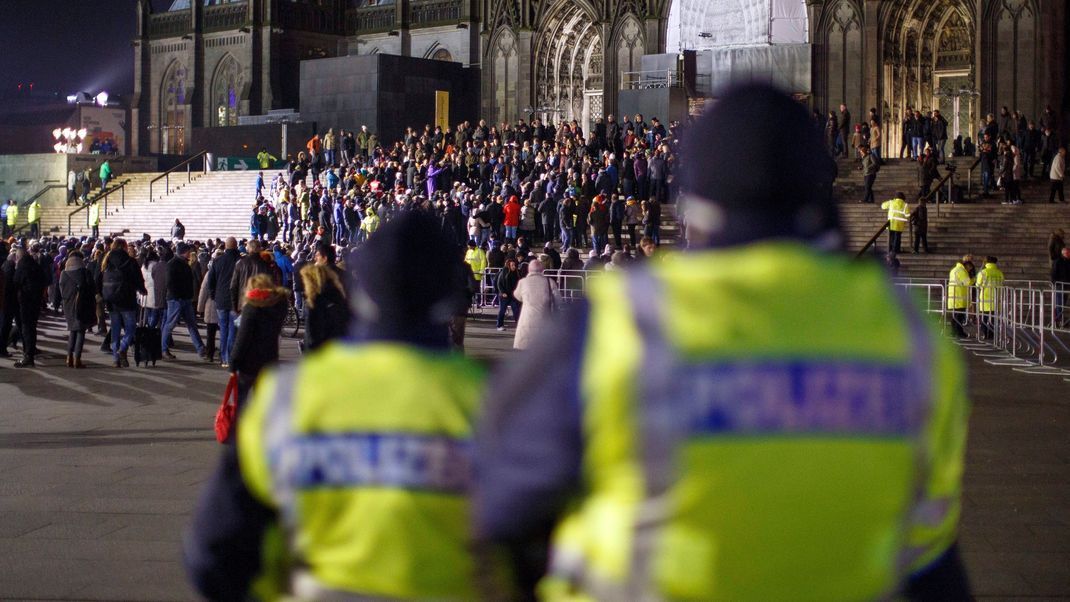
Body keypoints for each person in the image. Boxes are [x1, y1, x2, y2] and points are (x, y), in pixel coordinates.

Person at [475, 84, 972, 600]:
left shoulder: (625, 323)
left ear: (697, 201)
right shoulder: (912, 338)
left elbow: (500, 494)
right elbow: (931, 556)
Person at [185, 212, 484, 601]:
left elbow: (215, 551)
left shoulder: (289, 398)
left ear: (363, 290)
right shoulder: (488, 401)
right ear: (447, 293)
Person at [228, 273, 288, 407]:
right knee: (263, 401)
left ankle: (238, 425)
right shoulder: (278, 307)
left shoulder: (252, 308)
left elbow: (242, 339)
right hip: (269, 359)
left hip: (249, 362)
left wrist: (233, 361)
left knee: (240, 399)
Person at [100, 239, 146, 368]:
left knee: (115, 330)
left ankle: (116, 358)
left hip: (112, 300)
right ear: (124, 247)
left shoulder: (106, 261)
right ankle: (123, 348)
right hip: (127, 299)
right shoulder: (130, 261)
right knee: (130, 328)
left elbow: (99, 278)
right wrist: (142, 289)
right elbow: (138, 279)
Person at [161, 242, 206, 360]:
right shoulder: (174, 264)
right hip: (177, 298)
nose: (190, 254)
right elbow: (170, 283)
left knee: (191, 324)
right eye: (188, 252)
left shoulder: (180, 263)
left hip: (183, 298)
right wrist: (180, 295)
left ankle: (201, 348)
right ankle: (163, 348)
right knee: (170, 324)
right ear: (185, 252)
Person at [300, 249, 350, 352]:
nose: (315, 258)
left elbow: (311, 333)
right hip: (340, 344)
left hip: (320, 351)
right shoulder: (340, 293)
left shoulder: (315, 300)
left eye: (317, 255)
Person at [205, 237, 241, 368]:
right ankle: (228, 357)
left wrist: (213, 295)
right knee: (233, 329)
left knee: (224, 329)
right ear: (236, 246)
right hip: (235, 301)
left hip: (220, 300)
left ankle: (223, 357)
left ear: (225, 246)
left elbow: (211, 281)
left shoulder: (217, 261)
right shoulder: (239, 261)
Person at [511, 258, 559, 350]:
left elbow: (517, 296)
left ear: (529, 270)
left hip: (527, 319)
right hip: (545, 319)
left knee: (525, 347)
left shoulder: (523, 282)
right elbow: (558, 300)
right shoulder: (549, 282)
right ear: (542, 270)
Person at [59, 250, 96, 368]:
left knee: (72, 330)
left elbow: (61, 289)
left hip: (68, 304)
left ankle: (68, 357)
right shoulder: (85, 272)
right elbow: (92, 289)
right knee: (81, 331)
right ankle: (77, 359)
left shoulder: (64, 273)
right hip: (82, 304)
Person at [12, 244, 46, 368]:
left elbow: (16, 282)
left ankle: (28, 356)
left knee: (27, 328)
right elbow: (44, 280)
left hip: (26, 301)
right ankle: (30, 353)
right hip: (36, 302)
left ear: (18, 257)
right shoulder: (35, 265)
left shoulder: (22, 266)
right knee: (32, 328)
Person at [975, 256, 1004, 340]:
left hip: (985, 299)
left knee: (984, 318)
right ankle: (992, 334)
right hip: (996, 299)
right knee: (994, 319)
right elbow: (1002, 283)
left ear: (986, 263)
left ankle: (985, 334)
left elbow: (978, 284)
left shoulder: (983, 272)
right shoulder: (999, 273)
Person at [947, 255, 973, 338]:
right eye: (969, 268)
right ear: (966, 265)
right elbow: (967, 282)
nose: (969, 270)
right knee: (959, 316)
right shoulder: (962, 271)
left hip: (954, 296)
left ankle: (953, 332)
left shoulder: (954, 269)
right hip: (959, 297)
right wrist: (974, 279)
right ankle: (959, 333)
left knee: (955, 316)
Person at [494, 256, 521, 331]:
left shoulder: (517, 273)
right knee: (502, 310)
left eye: (515, 265)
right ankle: (499, 325)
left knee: (516, 310)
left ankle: (519, 325)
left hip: (512, 295)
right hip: (504, 295)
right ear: (509, 265)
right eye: (512, 265)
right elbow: (499, 283)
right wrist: (502, 293)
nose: (514, 267)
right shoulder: (504, 272)